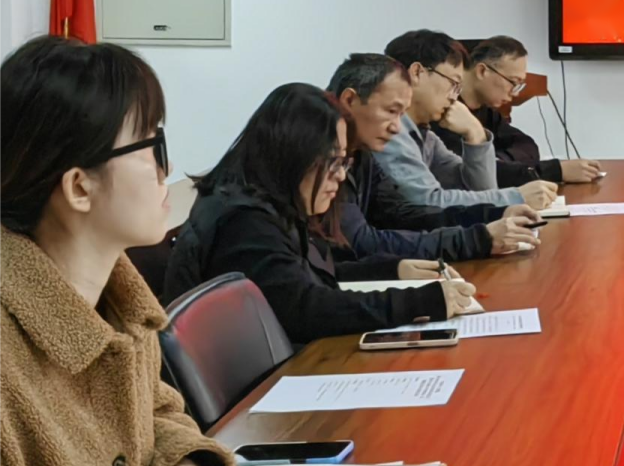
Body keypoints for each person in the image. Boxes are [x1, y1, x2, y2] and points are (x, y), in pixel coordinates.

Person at [0, 37, 246, 466]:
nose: (166, 170)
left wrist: (181, 465)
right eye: (152, 148)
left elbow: (153, 412)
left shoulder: (120, 303)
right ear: (79, 187)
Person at [165, 84, 477, 345]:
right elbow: (306, 309)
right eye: (334, 161)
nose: (341, 176)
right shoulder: (245, 222)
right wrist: (420, 302)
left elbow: (307, 277)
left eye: (344, 162)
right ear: (293, 155)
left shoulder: (266, 202)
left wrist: (395, 269)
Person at [328, 53, 541, 261]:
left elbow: (403, 214)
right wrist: (477, 239)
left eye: (401, 115)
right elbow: (360, 243)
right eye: (391, 111)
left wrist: (495, 214)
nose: (397, 127)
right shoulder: (321, 154)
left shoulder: (362, 153)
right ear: (349, 100)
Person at [375, 30, 557, 210]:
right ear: (417, 73)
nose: (454, 97)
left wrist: (476, 134)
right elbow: (428, 202)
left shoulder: (426, 136)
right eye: (453, 83)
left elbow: (480, 192)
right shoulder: (388, 132)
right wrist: (516, 197)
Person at [430, 36, 603, 186]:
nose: (514, 93)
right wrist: (555, 171)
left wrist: (497, 161)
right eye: (513, 82)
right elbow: (473, 174)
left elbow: (527, 146)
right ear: (482, 71)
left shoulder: (485, 110)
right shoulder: (443, 114)